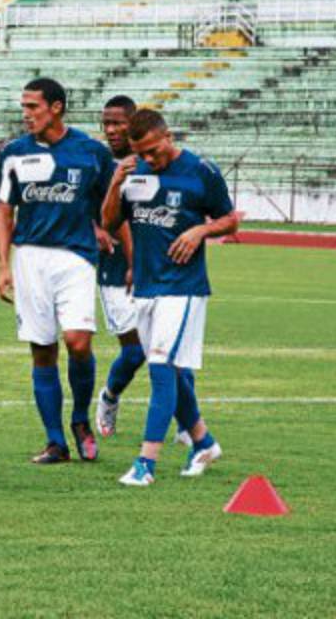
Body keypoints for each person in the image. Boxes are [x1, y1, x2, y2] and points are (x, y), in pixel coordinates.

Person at [101, 108, 236, 486]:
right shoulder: (134, 174)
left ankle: (146, 464)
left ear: (168, 137)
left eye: (152, 151)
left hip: (184, 288)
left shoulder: (200, 170)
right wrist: (114, 184)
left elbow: (230, 219)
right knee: (173, 373)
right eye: (140, 153)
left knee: (160, 367)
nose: (148, 159)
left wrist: (199, 231)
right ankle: (204, 443)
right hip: (145, 286)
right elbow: (110, 221)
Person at [0, 78, 115, 464]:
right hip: (29, 257)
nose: (26, 114)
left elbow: (111, 206)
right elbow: (3, 211)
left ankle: (81, 420)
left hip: (75, 257)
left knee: (78, 341)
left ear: (57, 107)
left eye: (33, 107)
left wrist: (104, 229)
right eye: (24, 107)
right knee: (42, 349)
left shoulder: (92, 153)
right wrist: (2, 265)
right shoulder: (13, 154)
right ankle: (55, 441)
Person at [94, 96, 191, 446]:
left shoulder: (156, 164)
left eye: (119, 123)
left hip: (158, 273)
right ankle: (109, 396)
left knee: (171, 352)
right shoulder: (101, 163)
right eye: (106, 123)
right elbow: (90, 212)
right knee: (135, 352)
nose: (111, 130)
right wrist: (96, 229)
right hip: (115, 271)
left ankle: (187, 424)